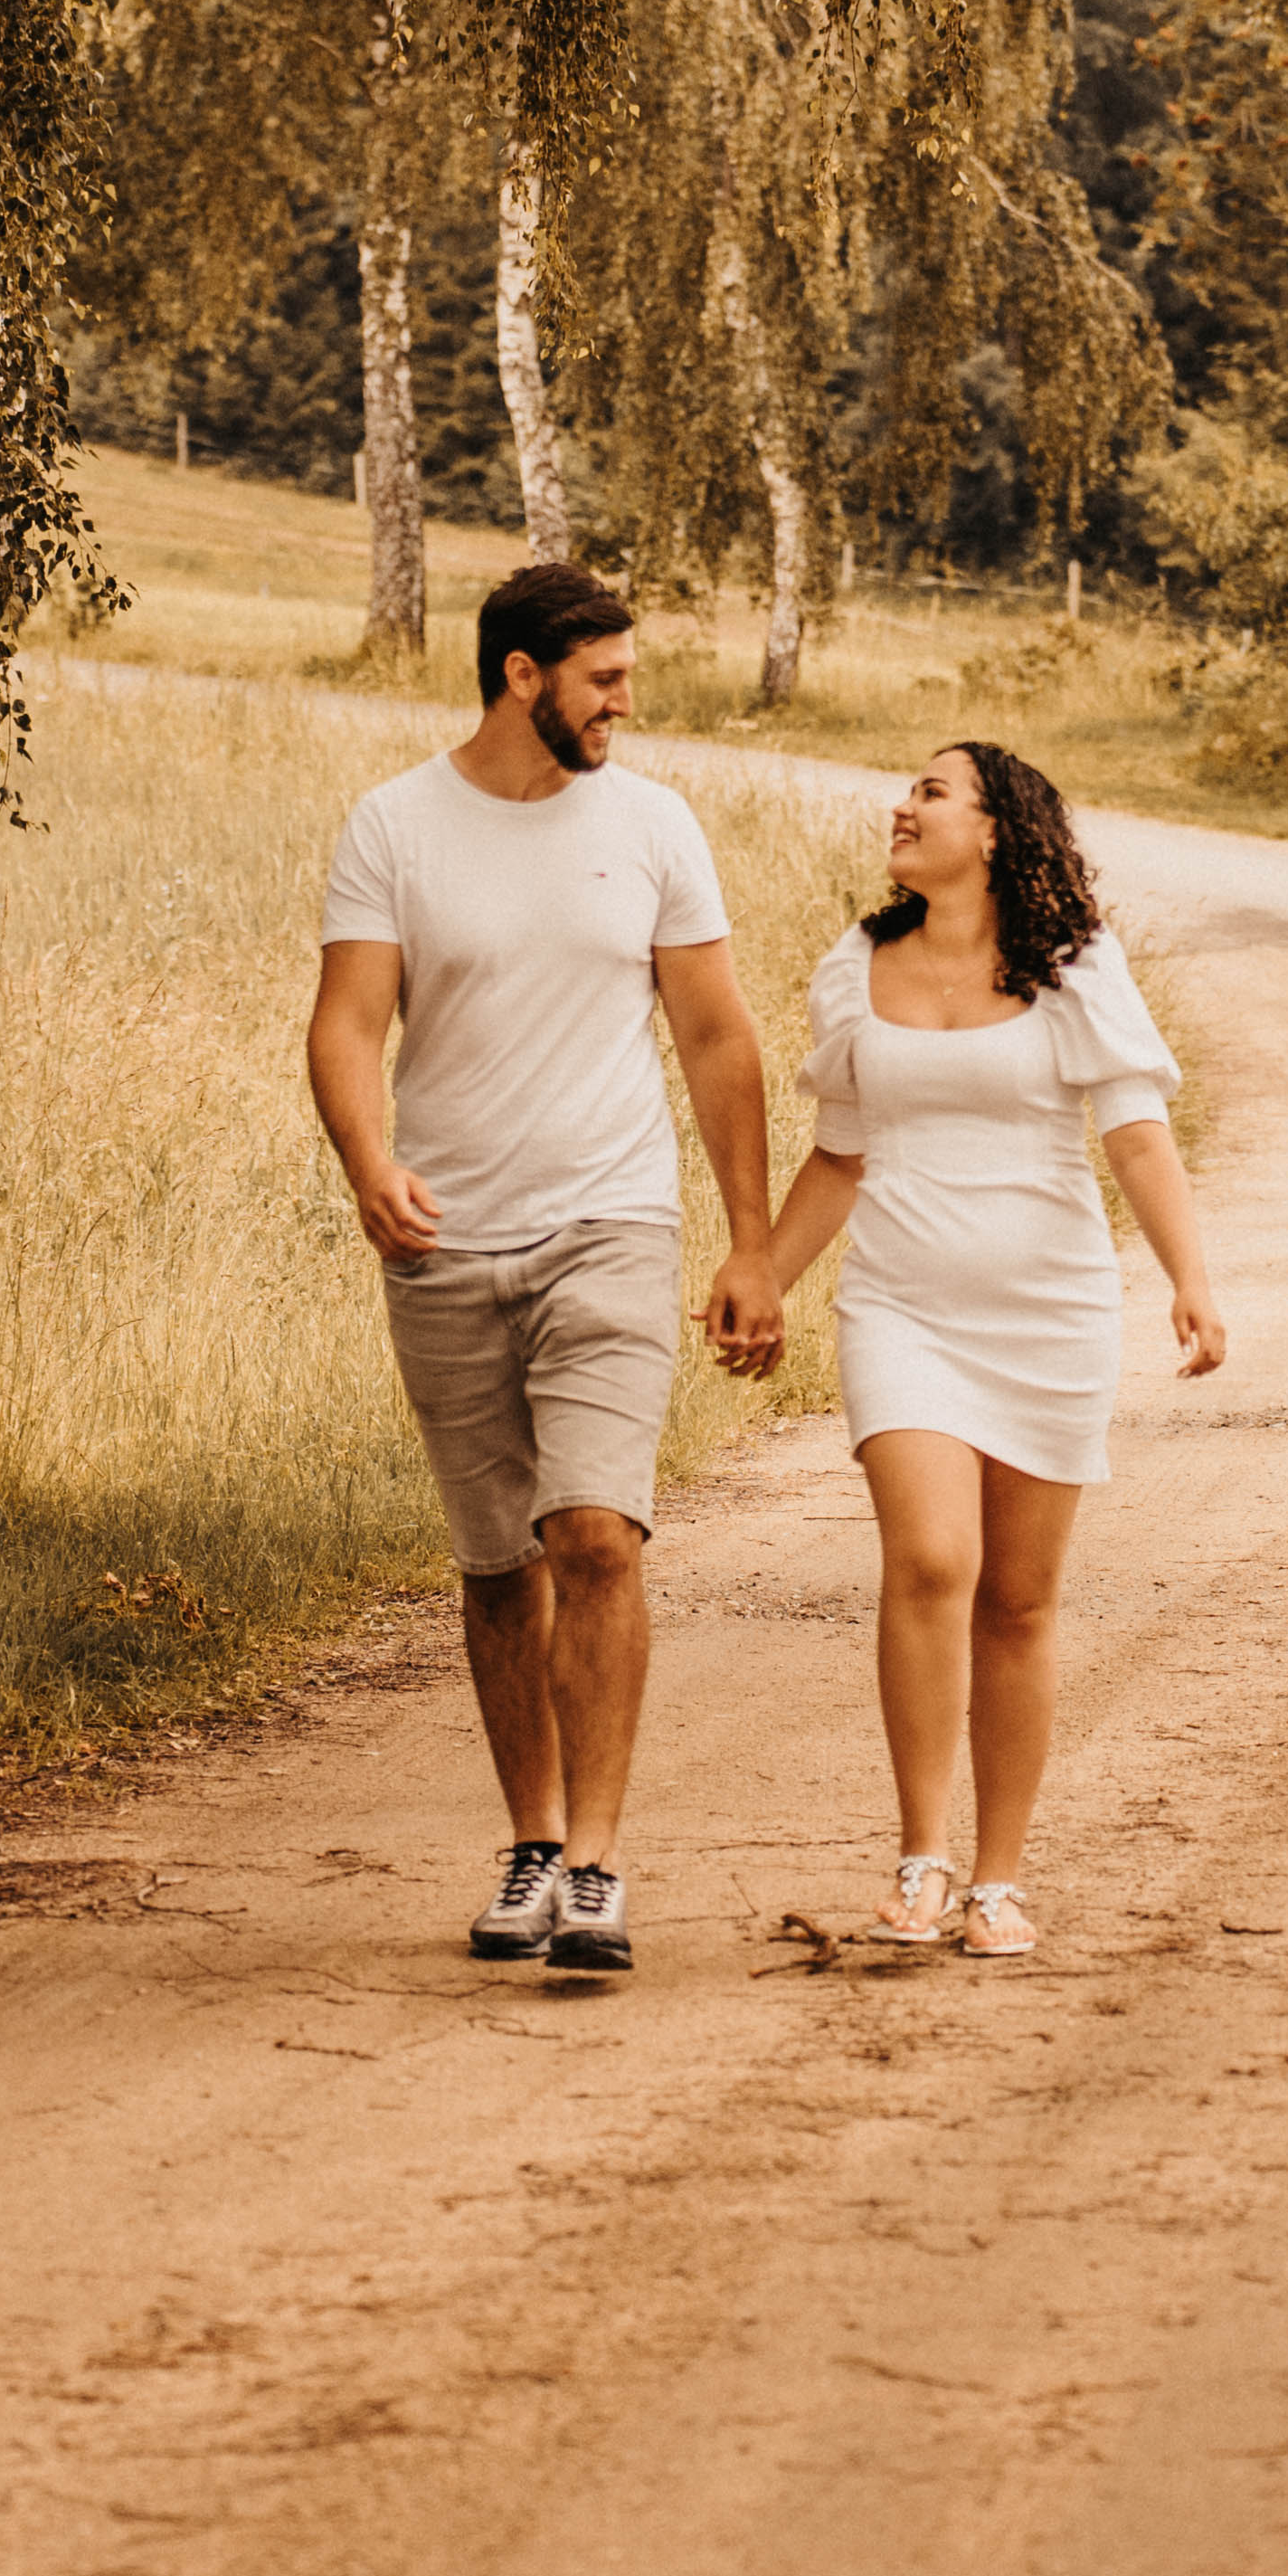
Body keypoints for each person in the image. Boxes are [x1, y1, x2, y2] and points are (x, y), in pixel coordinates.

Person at [308, 562, 783, 1974]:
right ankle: (527, 1843)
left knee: (593, 1535)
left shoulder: (650, 824)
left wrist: (751, 1239)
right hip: (449, 1240)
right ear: (524, 677)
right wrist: (367, 1162)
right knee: (498, 1561)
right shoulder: (395, 825)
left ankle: (595, 1864)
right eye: (606, 682)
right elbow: (347, 1024)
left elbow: (715, 1036)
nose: (626, 704)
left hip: (608, 1224)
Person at [735, 741, 1224, 1962]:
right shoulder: (855, 968)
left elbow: (1139, 1138)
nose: (904, 805)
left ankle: (999, 1882)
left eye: (933, 791)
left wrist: (1191, 1282)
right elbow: (840, 1157)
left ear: (998, 830)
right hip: (903, 1310)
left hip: (1050, 1313)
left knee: (1017, 1601)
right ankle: (921, 1858)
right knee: (933, 1561)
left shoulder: (1074, 970)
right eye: (907, 789)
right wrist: (761, 1276)